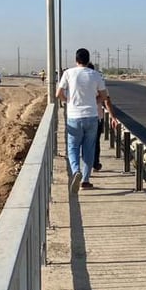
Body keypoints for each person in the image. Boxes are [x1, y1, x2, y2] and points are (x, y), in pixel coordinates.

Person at [56, 48, 112, 192]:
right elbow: (104, 96)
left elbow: (59, 94)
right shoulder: (96, 75)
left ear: (76, 60)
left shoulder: (68, 73)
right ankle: (85, 181)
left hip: (74, 117)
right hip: (92, 116)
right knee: (89, 149)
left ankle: (76, 171)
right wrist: (94, 101)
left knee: (73, 147)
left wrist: (68, 101)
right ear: (88, 61)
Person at [88, 62, 104, 172]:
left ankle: (85, 168)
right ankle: (95, 163)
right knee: (96, 142)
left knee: (84, 144)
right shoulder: (97, 79)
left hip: (79, 116)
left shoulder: (76, 79)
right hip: (96, 116)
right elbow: (105, 97)